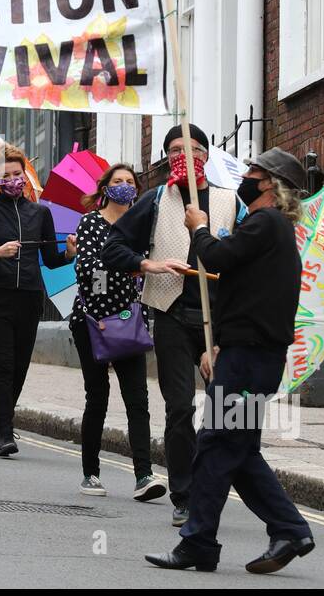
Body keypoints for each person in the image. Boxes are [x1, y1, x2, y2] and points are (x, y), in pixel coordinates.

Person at [145, 148, 314, 575]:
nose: (247, 177)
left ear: (271, 187)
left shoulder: (266, 222)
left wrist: (199, 230)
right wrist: (216, 343)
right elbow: (240, 291)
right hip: (246, 354)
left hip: (251, 359)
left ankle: (200, 541)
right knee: (236, 449)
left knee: (218, 443)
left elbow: (216, 258)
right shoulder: (266, 229)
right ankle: (288, 529)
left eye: (254, 173)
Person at [102, 124, 239, 528]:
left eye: (194, 149)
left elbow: (247, 257)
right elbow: (113, 247)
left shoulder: (231, 201)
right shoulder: (155, 201)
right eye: (176, 149)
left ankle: (216, 485)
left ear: (206, 157)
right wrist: (146, 264)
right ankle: (185, 494)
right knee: (179, 407)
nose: (185, 156)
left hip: (219, 319)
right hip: (171, 313)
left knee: (226, 410)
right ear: (166, 158)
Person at [0, 142, 76, 456]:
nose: (13, 179)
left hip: (28, 298)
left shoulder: (40, 213)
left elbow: (51, 260)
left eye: (18, 173)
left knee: (18, 368)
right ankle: (7, 431)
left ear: (26, 175)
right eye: (6, 175)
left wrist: (69, 253)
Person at [70, 163, 166, 501]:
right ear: (105, 187)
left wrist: (135, 268)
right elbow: (89, 274)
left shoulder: (142, 227)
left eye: (129, 182)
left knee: (138, 399)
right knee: (97, 396)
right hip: (92, 320)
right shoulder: (91, 223)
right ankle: (90, 473)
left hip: (128, 320)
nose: (124, 186)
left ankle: (144, 475)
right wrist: (131, 267)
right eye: (117, 181)